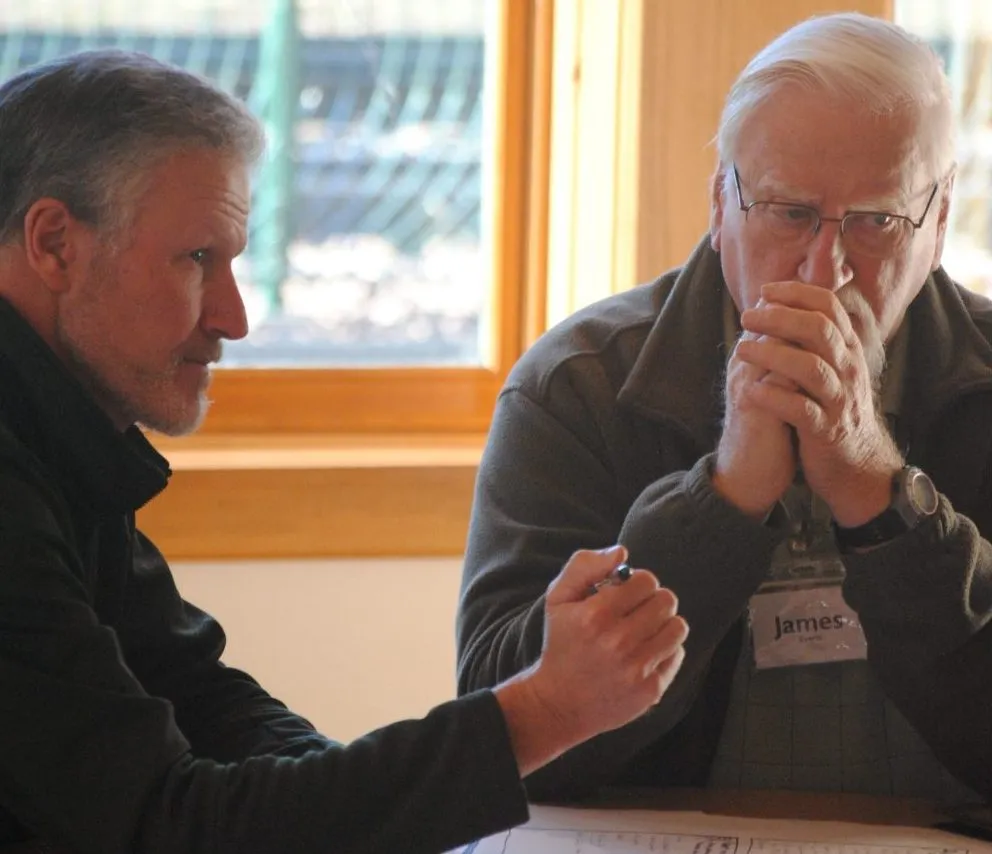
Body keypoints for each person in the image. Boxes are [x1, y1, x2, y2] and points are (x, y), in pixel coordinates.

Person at [0, 50, 691, 854]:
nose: (233, 317)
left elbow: (207, 701)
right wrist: (541, 713)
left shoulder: (63, 435)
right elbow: (168, 825)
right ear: (54, 243)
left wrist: (362, 806)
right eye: (197, 260)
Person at [457, 11, 992, 805]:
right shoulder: (579, 389)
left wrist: (878, 493)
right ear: (720, 203)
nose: (827, 270)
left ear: (939, 219)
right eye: (790, 213)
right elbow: (503, 736)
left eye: (877, 222)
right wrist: (723, 501)